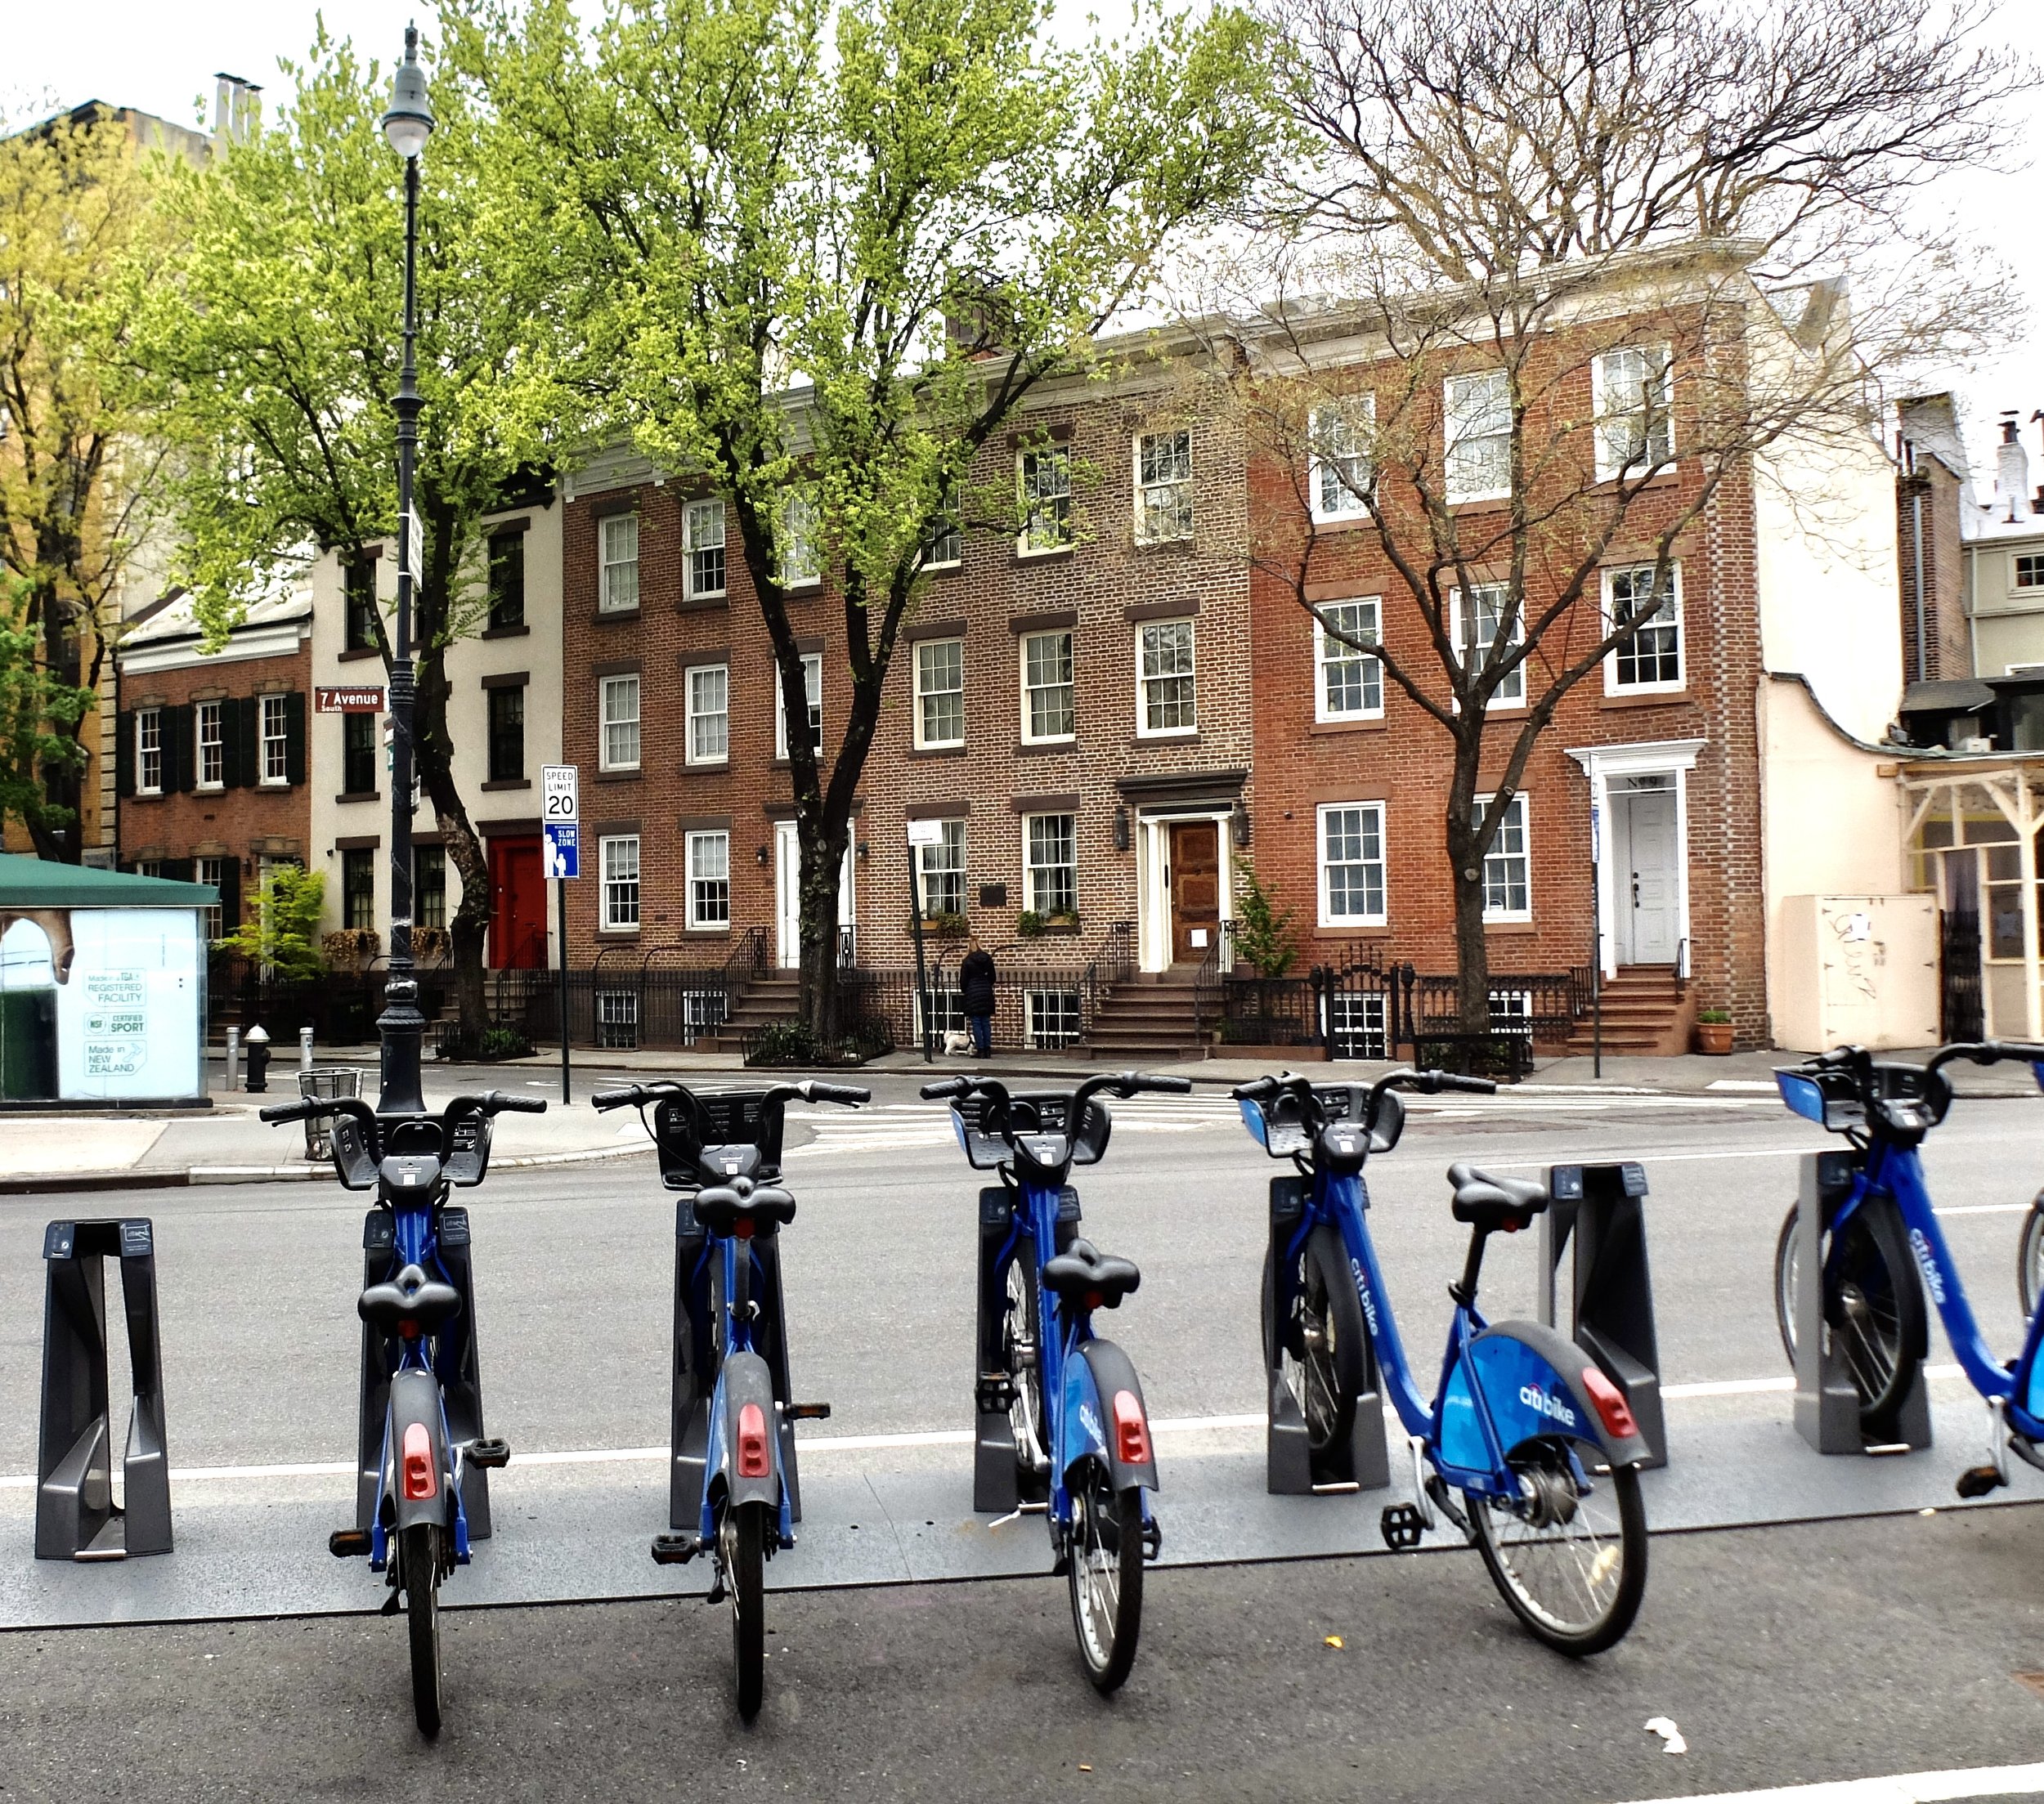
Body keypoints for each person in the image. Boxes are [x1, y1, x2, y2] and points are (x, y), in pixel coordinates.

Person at [959, 943, 997, 1059]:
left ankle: (980, 1050)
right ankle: (988, 1049)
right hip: (986, 991)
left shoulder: (967, 961)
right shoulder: (988, 959)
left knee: (976, 1022)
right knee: (986, 1022)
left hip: (972, 992)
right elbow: (993, 977)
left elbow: (963, 981)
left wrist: (967, 990)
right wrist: (986, 985)